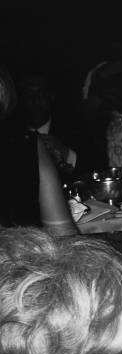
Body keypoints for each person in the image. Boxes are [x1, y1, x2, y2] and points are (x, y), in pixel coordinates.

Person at [0, 66, 76, 235]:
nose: (35, 100)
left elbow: (64, 234)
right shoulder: (28, 145)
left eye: (40, 93)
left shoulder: (27, 145)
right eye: (29, 93)